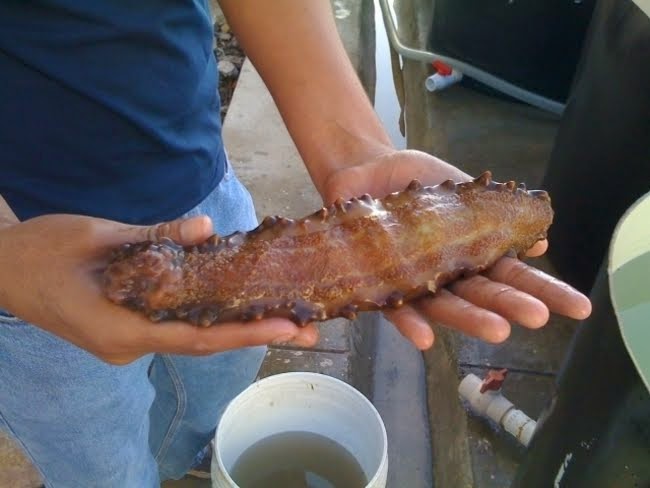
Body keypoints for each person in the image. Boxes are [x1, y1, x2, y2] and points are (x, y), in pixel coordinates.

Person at [0, 1, 592, 486]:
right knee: (98, 463)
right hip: (32, 258)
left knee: (219, 387)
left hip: (205, 200)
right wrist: (9, 254)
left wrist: (353, 147)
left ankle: (188, 458)